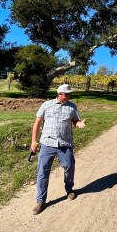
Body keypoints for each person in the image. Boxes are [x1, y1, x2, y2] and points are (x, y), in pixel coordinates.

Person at [30, 84, 86, 215]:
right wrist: (34, 141)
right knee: (42, 171)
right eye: (67, 94)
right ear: (60, 94)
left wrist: (79, 124)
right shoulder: (46, 105)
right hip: (47, 143)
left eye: (69, 94)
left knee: (69, 166)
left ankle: (69, 189)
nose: (69, 96)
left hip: (64, 144)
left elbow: (75, 121)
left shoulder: (72, 107)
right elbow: (37, 123)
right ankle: (41, 200)